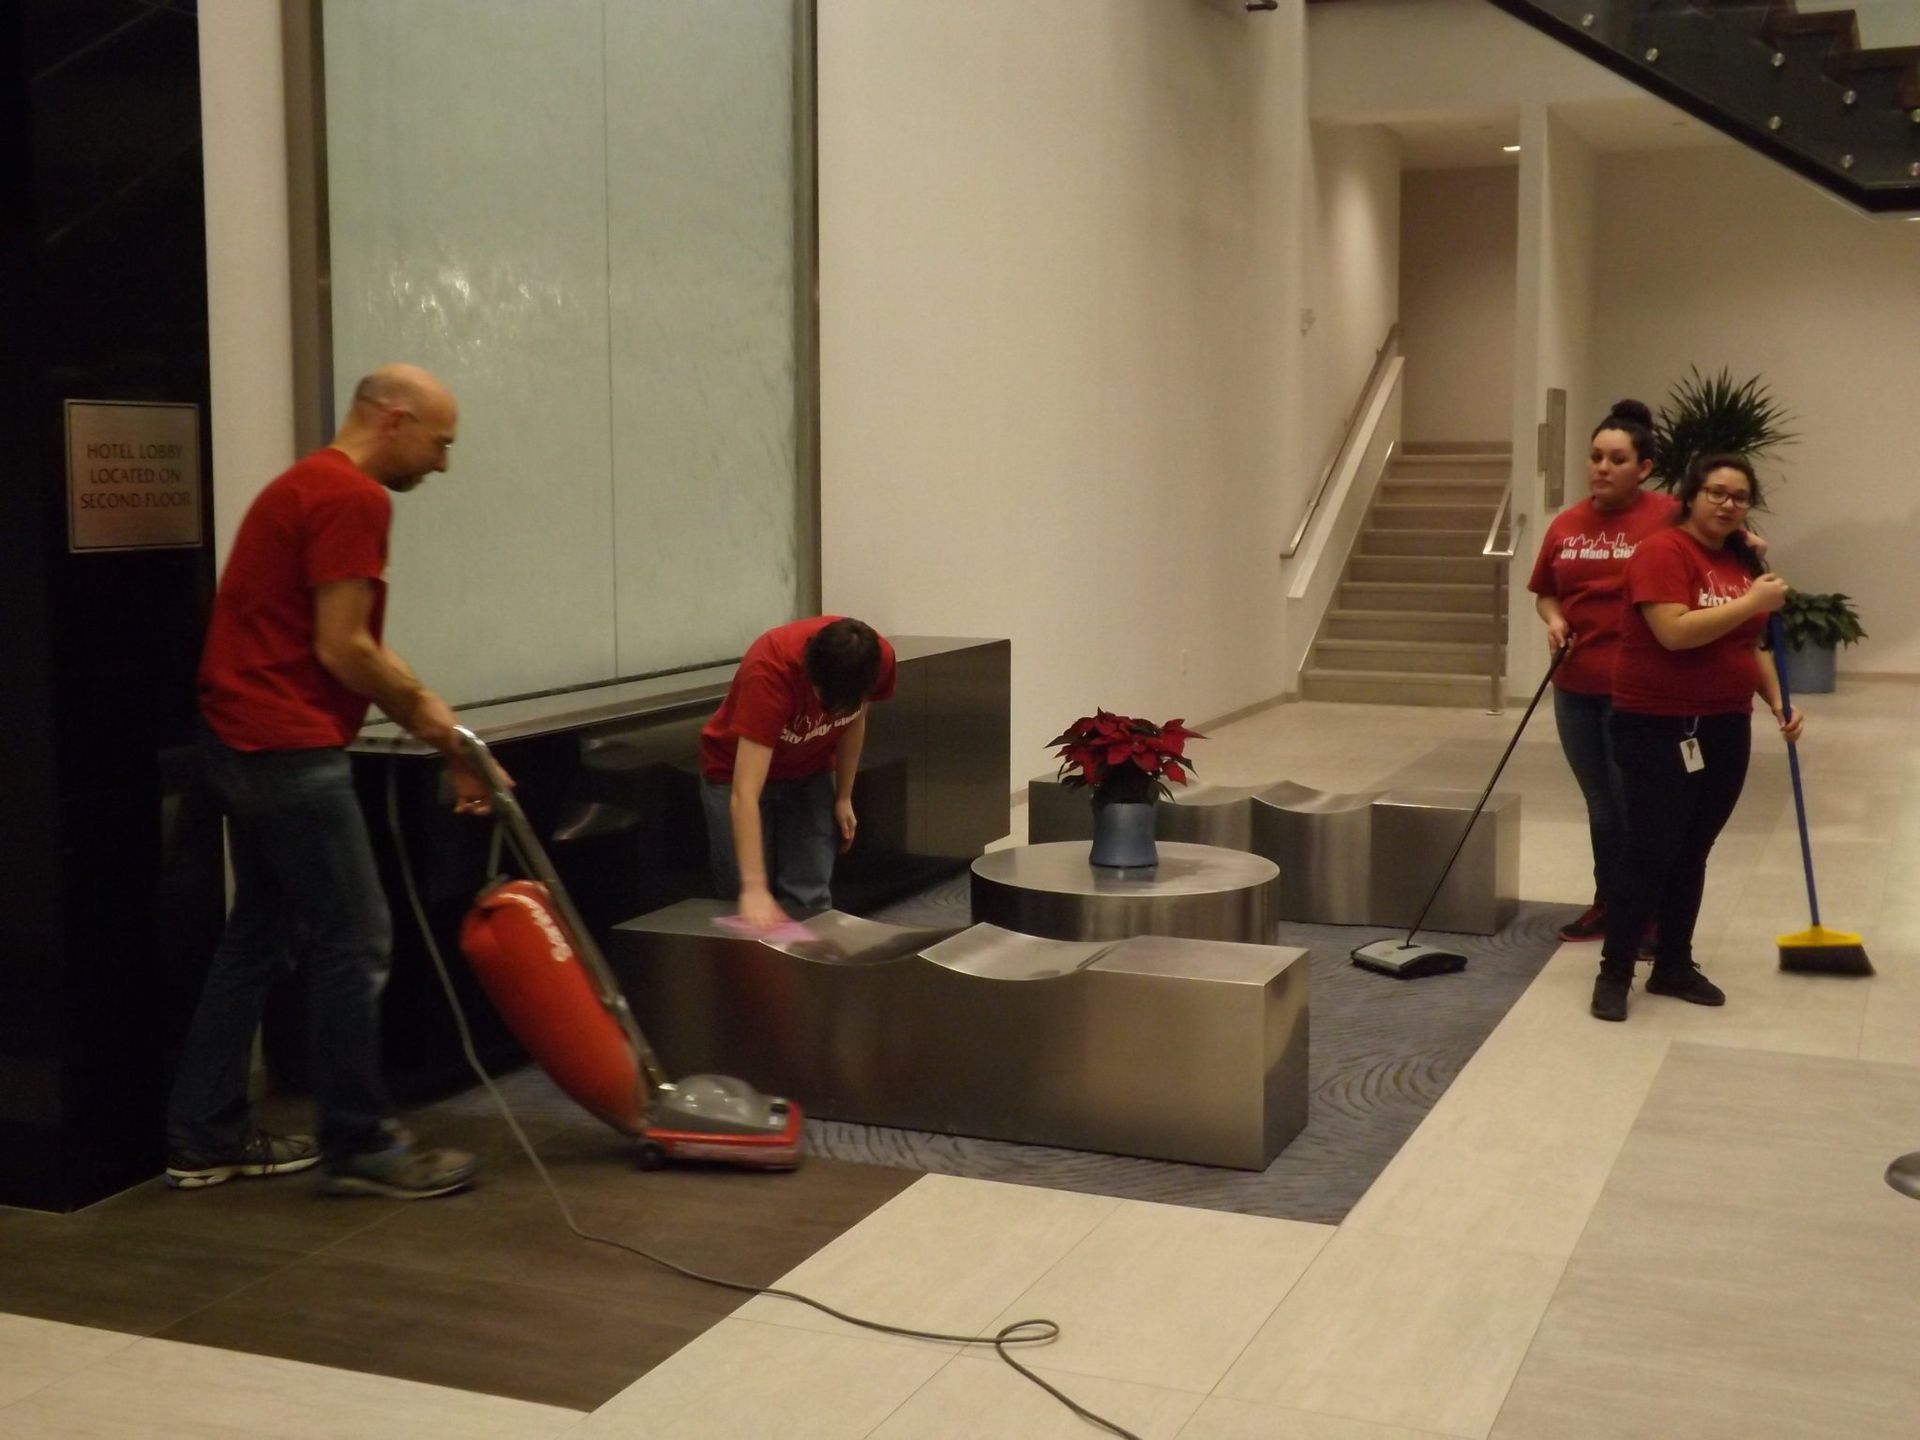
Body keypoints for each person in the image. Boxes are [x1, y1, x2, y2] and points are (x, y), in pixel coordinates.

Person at [167, 364, 485, 1197]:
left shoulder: (301, 487)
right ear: (392, 419)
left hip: (237, 738)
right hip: (286, 746)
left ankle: (204, 1134)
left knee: (259, 936)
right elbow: (342, 648)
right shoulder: (353, 497)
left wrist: (431, 714)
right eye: (439, 442)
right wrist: (421, 710)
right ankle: (359, 1141)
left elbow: (348, 639)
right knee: (359, 937)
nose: (443, 465)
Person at [1530, 400, 1765, 945]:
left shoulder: (1667, 516)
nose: (1602, 468)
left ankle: (1648, 913)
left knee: (1639, 810)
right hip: (1575, 686)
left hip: (1638, 691)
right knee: (1601, 806)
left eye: (1616, 459)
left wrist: (1750, 550)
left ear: (1644, 468)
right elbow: (1546, 591)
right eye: (1595, 457)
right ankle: (1608, 904)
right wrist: (1555, 617)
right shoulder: (1566, 524)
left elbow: (1725, 540)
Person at [1589, 454, 1801, 1022]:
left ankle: (1674, 965)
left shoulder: (1739, 562)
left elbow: (1750, 646)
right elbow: (1674, 632)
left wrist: (1779, 702)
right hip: (1657, 724)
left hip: (1725, 722)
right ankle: (1614, 971)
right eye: (1716, 492)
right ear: (1691, 495)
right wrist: (1752, 601)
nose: (1728, 504)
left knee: (1694, 849)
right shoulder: (1663, 552)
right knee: (1650, 848)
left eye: (1739, 496)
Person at [699, 617, 896, 930]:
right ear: (810, 674)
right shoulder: (770, 670)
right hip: (734, 773)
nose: (832, 713)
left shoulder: (876, 659)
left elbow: (854, 722)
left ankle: (809, 974)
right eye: (823, 699)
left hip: (811, 770)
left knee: (810, 892)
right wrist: (753, 888)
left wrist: (844, 796)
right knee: (742, 898)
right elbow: (745, 793)